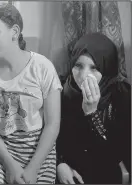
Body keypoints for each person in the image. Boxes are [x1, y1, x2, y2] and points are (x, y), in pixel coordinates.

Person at [0, 2, 62, 184]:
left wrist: (34, 167)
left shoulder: (42, 67)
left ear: (14, 31)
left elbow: (53, 124)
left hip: (39, 153)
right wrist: (9, 164)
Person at [56, 33, 131, 184]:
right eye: (78, 66)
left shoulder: (121, 95)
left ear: (107, 68)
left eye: (94, 68)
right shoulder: (59, 89)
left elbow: (115, 154)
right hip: (66, 170)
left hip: (103, 172)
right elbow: (48, 136)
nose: (84, 75)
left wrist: (92, 113)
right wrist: (59, 163)